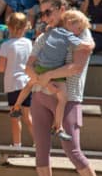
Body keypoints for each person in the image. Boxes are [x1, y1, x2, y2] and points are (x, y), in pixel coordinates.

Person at [25, 0, 102, 176]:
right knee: (41, 148)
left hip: (68, 98)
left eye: (48, 12)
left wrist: (48, 76)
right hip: (40, 96)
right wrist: (42, 82)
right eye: (42, 13)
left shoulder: (80, 28)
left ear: (62, 8)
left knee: (72, 149)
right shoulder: (46, 34)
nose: (45, 17)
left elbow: (77, 66)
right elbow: (29, 66)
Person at [14, 9, 93, 142]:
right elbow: (85, 46)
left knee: (29, 85)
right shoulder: (69, 36)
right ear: (69, 23)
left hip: (42, 67)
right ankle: (58, 127)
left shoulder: (53, 32)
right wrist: (91, 44)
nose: (79, 32)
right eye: (78, 28)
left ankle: (16, 106)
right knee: (62, 98)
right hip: (51, 68)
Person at [0, 12, 33, 148]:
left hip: (13, 84)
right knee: (28, 116)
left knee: (15, 117)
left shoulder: (6, 45)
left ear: (9, 27)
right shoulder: (29, 43)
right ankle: (40, 144)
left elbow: (1, 68)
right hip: (27, 83)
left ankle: (17, 145)